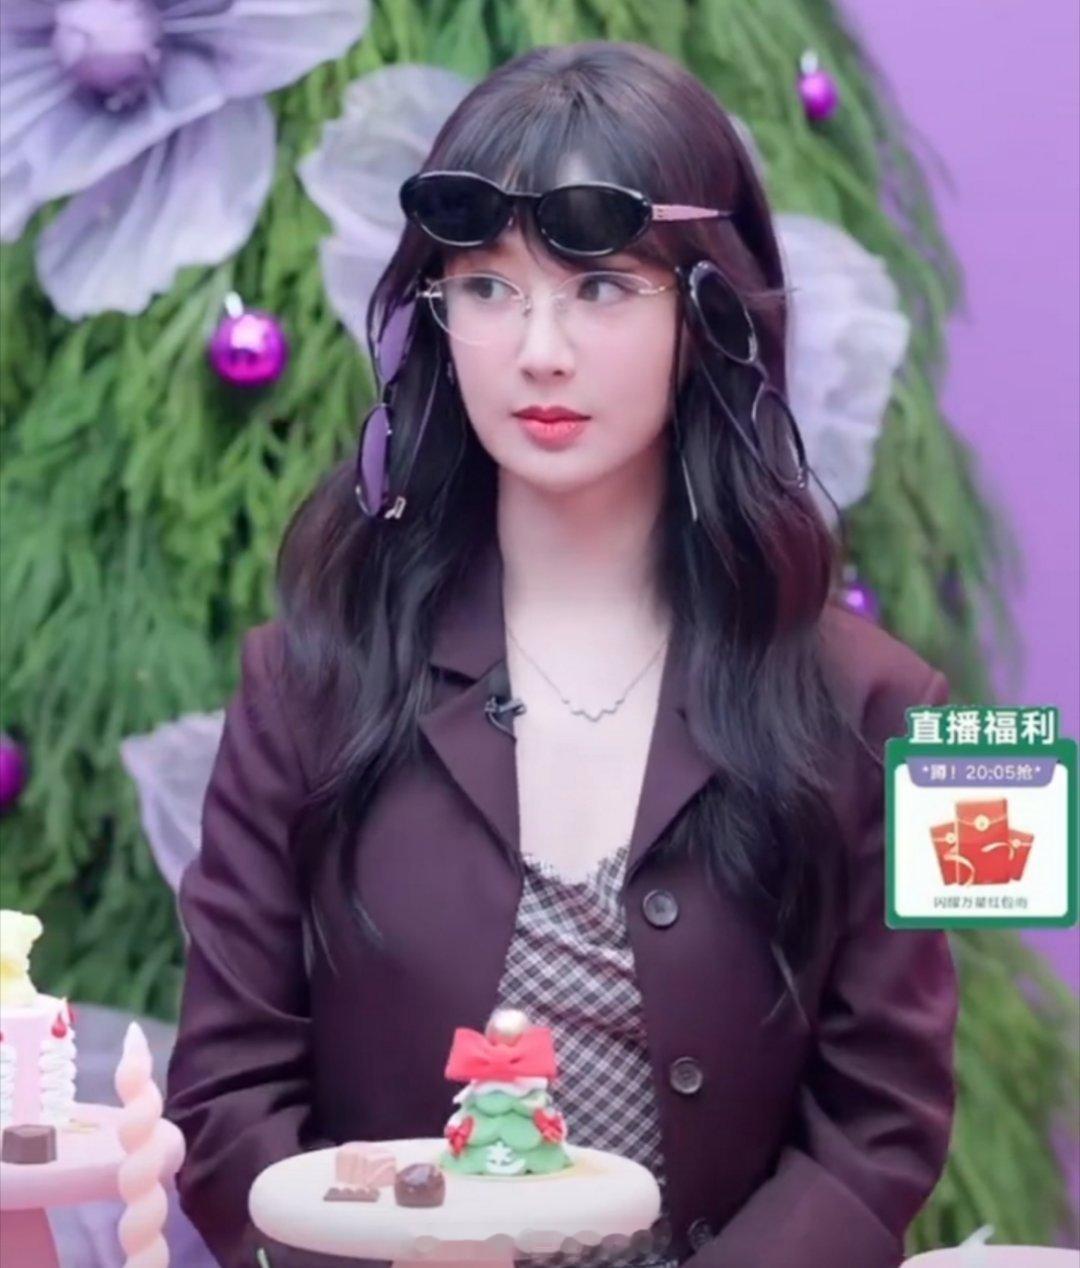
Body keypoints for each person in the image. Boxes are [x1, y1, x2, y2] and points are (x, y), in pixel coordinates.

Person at [165, 40, 958, 1268]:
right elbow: (227, 1097)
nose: (540, 347)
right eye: (487, 287)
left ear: (707, 314)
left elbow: (883, 1123)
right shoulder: (309, 679)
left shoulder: (885, 706)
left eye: (599, 287)